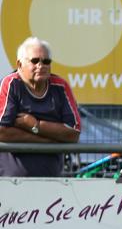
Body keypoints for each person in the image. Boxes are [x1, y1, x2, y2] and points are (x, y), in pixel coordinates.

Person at [0, 37, 81, 176]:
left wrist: (34, 125)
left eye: (46, 61)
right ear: (19, 64)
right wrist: (49, 139)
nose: (41, 65)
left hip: (51, 181)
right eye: (35, 60)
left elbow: (73, 133)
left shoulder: (60, 86)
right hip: (11, 181)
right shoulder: (11, 84)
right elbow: (2, 132)